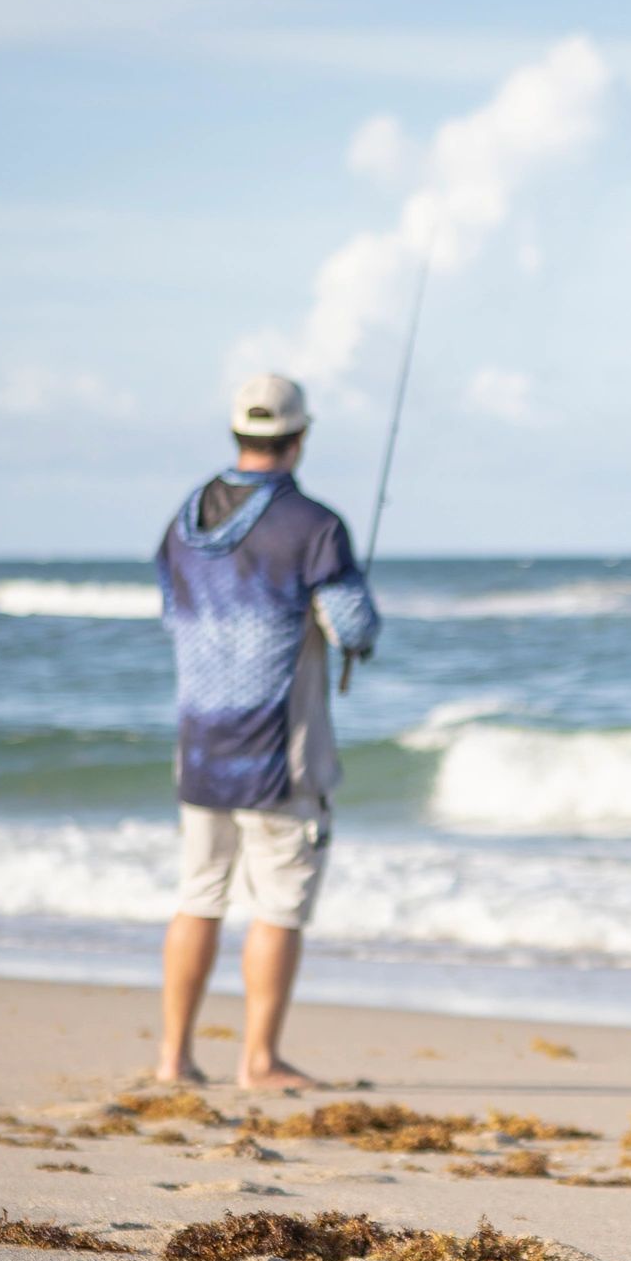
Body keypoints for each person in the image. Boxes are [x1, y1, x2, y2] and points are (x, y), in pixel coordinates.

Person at [153, 374, 380, 1089]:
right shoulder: (314, 526)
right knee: (278, 904)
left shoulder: (183, 519)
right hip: (279, 753)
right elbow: (356, 627)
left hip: (198, 745)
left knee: (198, 895)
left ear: (237, 434)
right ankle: (259, 1060)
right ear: (299, 437)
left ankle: (173, 1058)